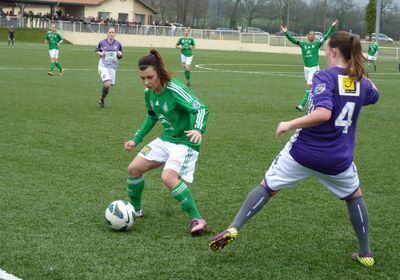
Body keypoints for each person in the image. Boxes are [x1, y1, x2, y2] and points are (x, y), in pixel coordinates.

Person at [209, 31, 379, 268]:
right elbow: (374, 94)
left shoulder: (324, 77)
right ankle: (365, 253)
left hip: (304, 152)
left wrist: (289, 123)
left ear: (333, 52)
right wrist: (357, 72)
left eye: (327, 50)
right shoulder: (361, 82)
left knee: (268, 187)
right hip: (337, 159)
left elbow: (323, 113)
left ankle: (234, 227)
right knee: (354, 196)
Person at [124, 49, 209, 236]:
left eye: (150, 77)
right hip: (166, 139)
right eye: (143, 78)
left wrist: (198, 129)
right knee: (133, 169)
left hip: (185, 142)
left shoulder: (174, 89)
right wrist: (136, 139)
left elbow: (201, 108)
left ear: (159, 72)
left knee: (168, 177)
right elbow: (151, 116)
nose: (146, 82)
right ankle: (136, 210)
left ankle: (197, 218)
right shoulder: (149, 93)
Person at [281, 20, 338, 111]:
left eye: (313, 34)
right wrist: (286, 33)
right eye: (310, 34)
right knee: (311, 88)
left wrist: (332, 27)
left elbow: (326, 36)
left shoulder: (317, 44)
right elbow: (293, 40)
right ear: (307, 36)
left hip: (314, 68)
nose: (312, 36)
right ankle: (320, 100)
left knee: (309, 86)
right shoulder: (303, 44)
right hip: (306, 69)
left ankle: (301, 105)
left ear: (315, 37)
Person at [95, 27, 123, 108]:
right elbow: (97, 50)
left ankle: (102, 98)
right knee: (107, 84)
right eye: (110, 32)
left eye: (113, 32)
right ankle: (102, 99)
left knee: (109, 85)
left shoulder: (118, 44)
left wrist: (120, 54)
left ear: (115, 34)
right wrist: (101, 53)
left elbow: (120, 55)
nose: (111, 34)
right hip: (103, 66)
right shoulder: (102, 42)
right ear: (107, 33)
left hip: (112, 67)